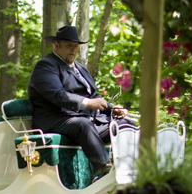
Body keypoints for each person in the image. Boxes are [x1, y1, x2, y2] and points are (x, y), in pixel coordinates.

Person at [27, 25, 135, 176]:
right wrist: (88, 103)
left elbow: (94, 96)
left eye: (76, 47)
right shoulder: (46, 66)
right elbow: (58, 95)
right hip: (56, 120)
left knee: (125, 124)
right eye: (69, 46)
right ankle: (105, 170)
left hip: (84, 121)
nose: (73, 50)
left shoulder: (81, 69)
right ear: (56, 46)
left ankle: (130, 165)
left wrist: (111, 108)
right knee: (83, 124)